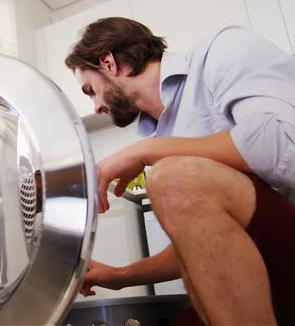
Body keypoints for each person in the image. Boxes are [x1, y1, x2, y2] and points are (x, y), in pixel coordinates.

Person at [64, 17, 295, 326]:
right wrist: (120, 276)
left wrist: (143, 153)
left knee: (173, 175)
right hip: (261, 277)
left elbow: (284, 144)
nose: (95, 107)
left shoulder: (221, 50)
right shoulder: (160, 139)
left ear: (109, 63)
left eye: (90, 90)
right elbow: (207, 247)